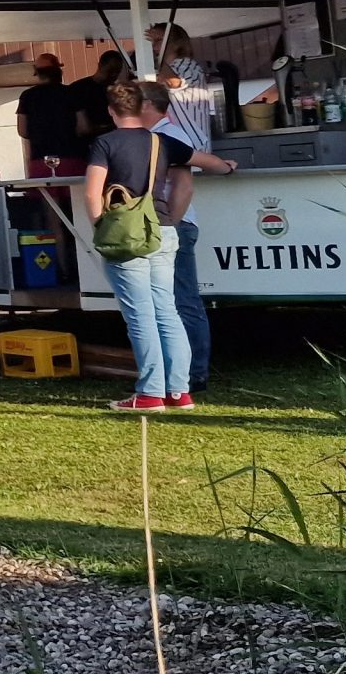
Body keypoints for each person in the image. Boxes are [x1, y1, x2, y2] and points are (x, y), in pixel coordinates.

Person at [86, 80, 195, 412]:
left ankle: (150, 393)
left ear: (111, 111)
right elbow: (200, 162)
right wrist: (226, 166)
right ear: (141, 107)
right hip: (163, 230)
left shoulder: (105, 143)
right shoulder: (162, 141)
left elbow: (92, 192)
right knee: (167, 311)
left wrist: (101, 226)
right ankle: (179, 391)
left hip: (127, 235)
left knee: (139, 315)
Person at [145, 79, 242, 399]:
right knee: (174, 301)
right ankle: (182, 373)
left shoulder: (168, 135)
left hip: (176, 225)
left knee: (181, 301)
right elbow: (207, 164)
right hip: (174, 225)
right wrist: (223, 167)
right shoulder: (162, 134)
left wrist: (170, 224)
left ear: (147, 106)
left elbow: (184, 185)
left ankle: (192, 373)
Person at [16, 53, 85, 176]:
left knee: (44, 188)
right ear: (58, 71)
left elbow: (23, 131)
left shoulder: (27, 96)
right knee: (75, 188)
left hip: (40, 160)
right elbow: (83, 127)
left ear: (37, 72)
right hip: (71, 158)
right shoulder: (72, 93)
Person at [70, 50, 130, 147]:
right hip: (96, 144)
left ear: (99, 64)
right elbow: (84, 129)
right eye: (113, 71)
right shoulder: (115, 91)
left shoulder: (77, 88)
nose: (114, 75)